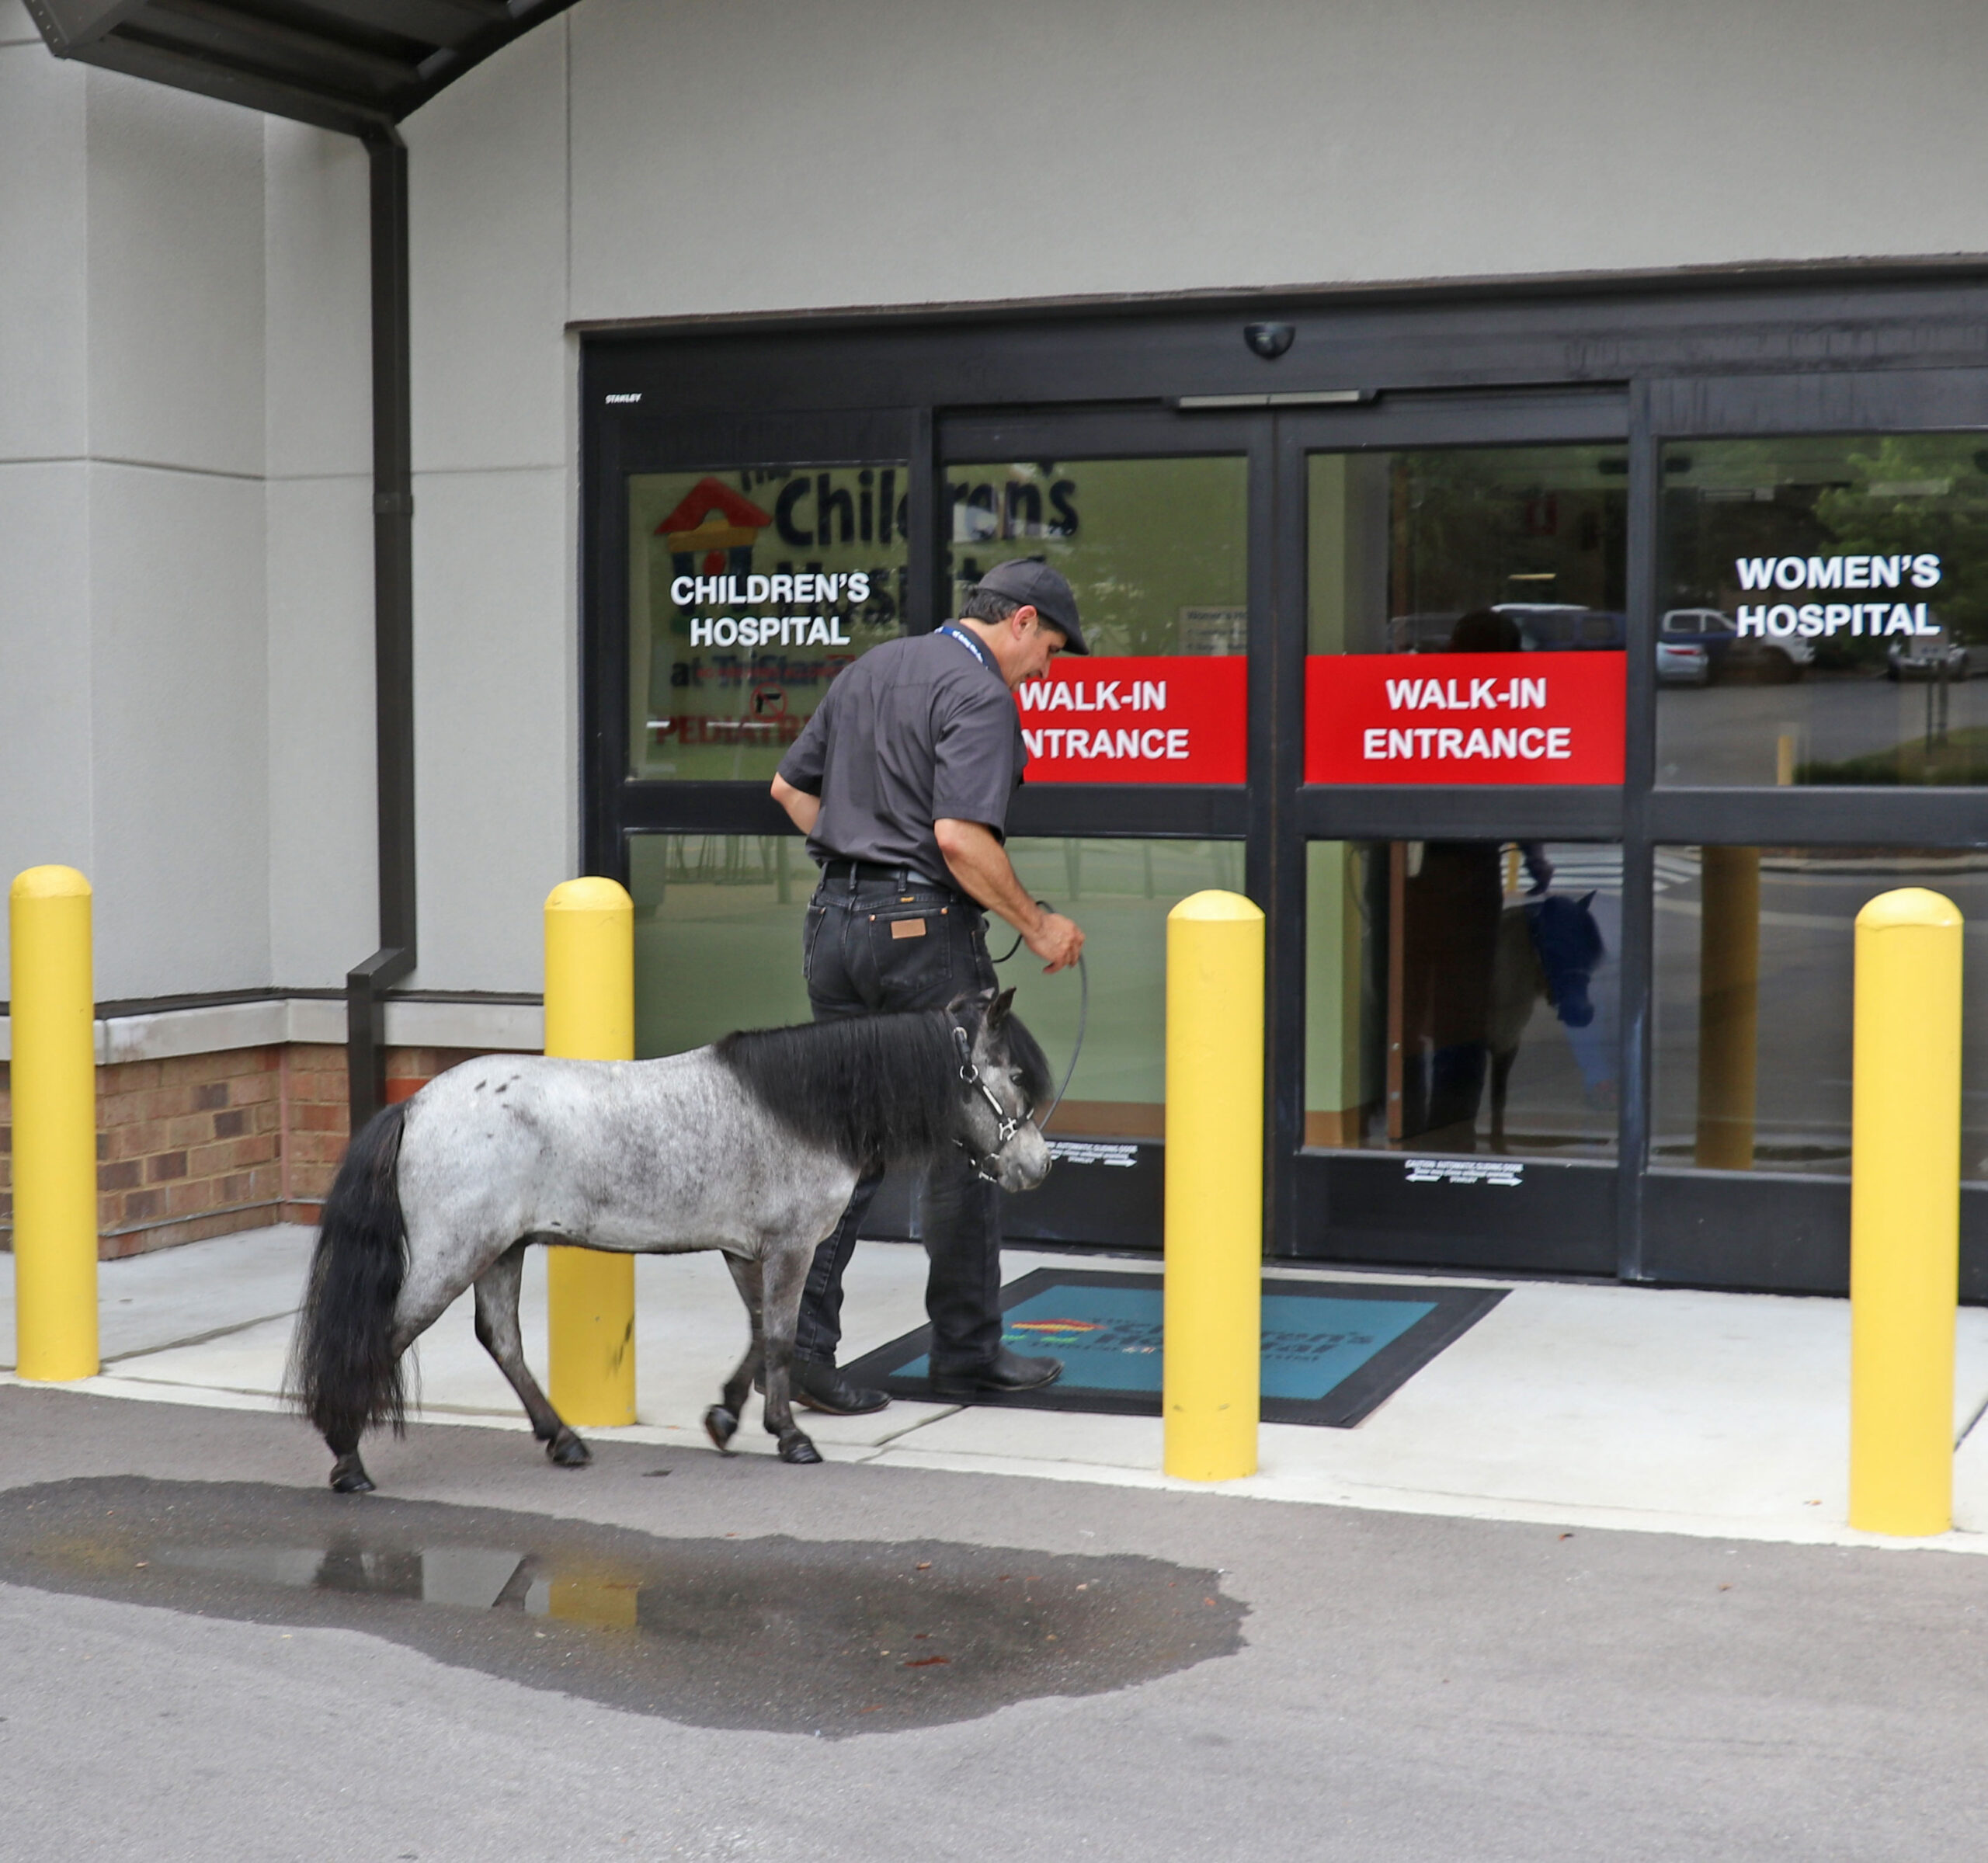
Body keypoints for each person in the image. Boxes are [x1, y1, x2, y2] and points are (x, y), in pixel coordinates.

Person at [766, 558, 1089, 1414]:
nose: (1045, 670)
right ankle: (968, 1351)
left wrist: (858, 856)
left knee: (851, 1142)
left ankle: (803, 1351)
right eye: (1049, 649)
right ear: (1019, 621)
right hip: (921, 942)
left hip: (833, 929)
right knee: (970, 1140)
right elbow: (959, 839)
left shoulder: (872, 667)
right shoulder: (982, 695)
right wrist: (1038, 924)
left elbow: (789, 788)